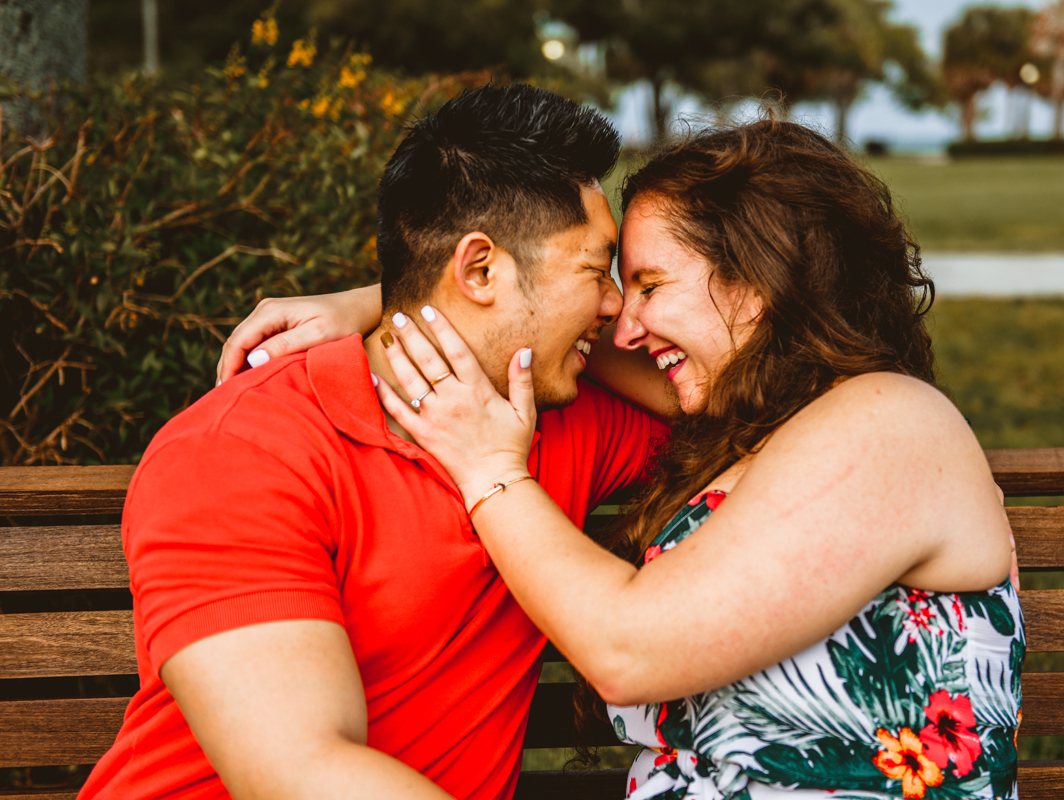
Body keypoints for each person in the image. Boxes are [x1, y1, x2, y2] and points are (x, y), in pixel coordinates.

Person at [252, 119, 1023, 800]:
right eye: (618, 284)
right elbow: (533, 326)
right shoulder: (766, 419)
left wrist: (491, 468)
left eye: (650, 284)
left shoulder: (889, 425)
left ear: (757, 285)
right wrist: (386, 300)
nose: (625, 324)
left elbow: (631, 648)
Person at [77, 84, 669, 800]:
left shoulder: (566, 418)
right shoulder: (240, 451)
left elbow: (755, 388)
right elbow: (299, 769)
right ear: (479, 270)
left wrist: (387, 301)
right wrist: (410, 301)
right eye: (593, 271)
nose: (619, 308)